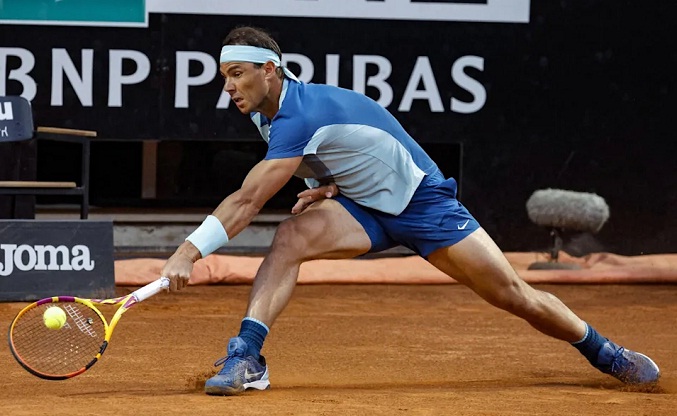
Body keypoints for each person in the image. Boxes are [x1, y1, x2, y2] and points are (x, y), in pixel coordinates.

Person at [161, 26, 660, 396]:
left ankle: (604, 351)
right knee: (290, 238)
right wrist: (329, 186)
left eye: (236, 73)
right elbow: (344, 150)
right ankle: (247, 356)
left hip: (424, 203)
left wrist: (188, 251)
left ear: (269, 70)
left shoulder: (297, 113)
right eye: (225, 75)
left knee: (513, 294)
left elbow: (248, 200)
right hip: (364, 207)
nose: (227, 86)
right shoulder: (271, 117)